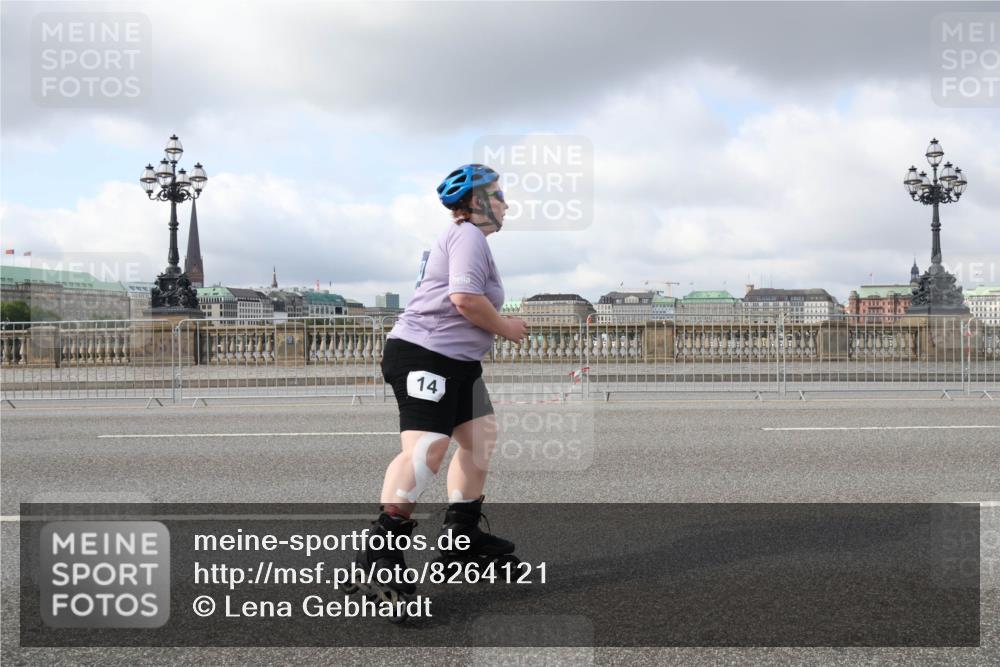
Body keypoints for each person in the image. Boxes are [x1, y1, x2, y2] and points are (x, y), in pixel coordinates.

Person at [354, 164, 528, 604]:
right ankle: (380, 554)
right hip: (425, 354)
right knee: (426, 447)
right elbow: (465, 299)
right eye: (499, 194)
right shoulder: (466, 233)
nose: (507, 203)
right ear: (477, 202)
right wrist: (507, 327)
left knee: (479, 438)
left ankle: (461, 543)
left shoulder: (470, 240)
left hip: (458, 362)